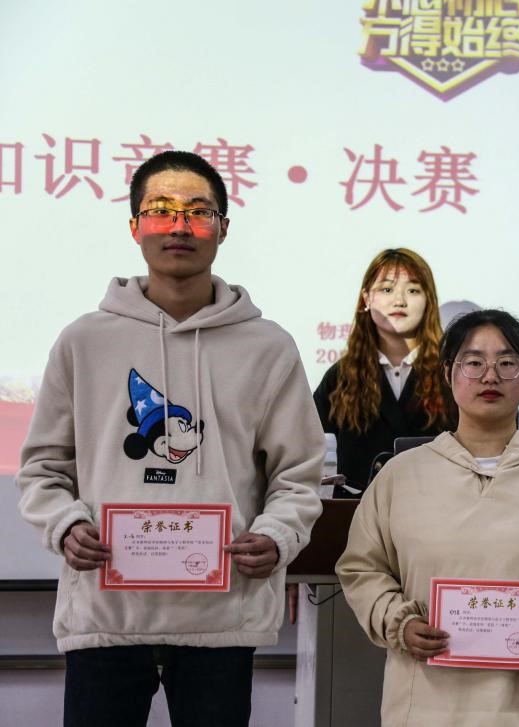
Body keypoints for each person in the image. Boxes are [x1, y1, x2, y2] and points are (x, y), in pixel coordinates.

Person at [16, 151, 324, 727]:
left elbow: (298, 473)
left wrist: (278, 534)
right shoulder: (83, 341)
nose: (179, 226)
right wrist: (65, 525)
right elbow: (42, 469)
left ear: (223, 229)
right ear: (135, 227)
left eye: (198, 212)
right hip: (107, 616)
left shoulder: (268, 347)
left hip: (221, 616)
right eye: (160, 210)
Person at [336, 309, 519, 726]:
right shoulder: (401, 475)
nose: (490, 376)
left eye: (507, 362)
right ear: (448, 373)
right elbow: (362, 568)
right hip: (426, 707)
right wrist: (398, 623)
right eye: (474, 362)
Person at [313, 248, 452, 493]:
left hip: (440, 508)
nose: (399, 300)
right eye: (387, 289)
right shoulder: (340, 378)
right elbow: (309, 452)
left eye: (413, 290)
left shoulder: (452, 373)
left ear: (429, 300)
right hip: (356, 512)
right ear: (366, 299)